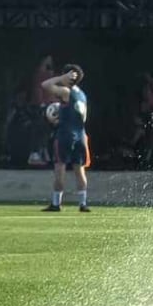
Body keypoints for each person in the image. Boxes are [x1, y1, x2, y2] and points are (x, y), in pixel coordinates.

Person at [40, 64, 91, 212]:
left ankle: (56, 203)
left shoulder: (65, 92)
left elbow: (45, 85)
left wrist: (61, 78)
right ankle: (83, 203)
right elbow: (83, 118)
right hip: (80, 135)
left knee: (60, 167)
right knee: (79, 170)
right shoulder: (82, 94)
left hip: (65, 135)